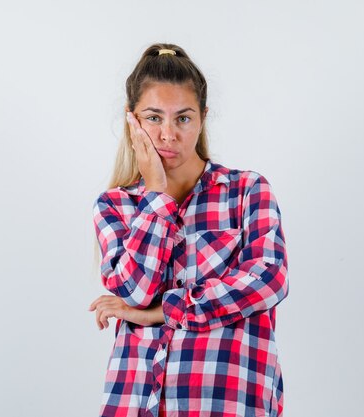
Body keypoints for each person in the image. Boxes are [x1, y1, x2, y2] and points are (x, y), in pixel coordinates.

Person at [88, 43, 290, 417]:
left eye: (182, 118)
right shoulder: (115, 205)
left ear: (202, 118)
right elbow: (134, 291)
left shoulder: (247, 191)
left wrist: (164, 310)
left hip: (225, 399)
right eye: (153, 118)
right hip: (134, 401)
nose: (167, 135)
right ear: (131, 120)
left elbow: (268, 281)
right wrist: (157, 197)